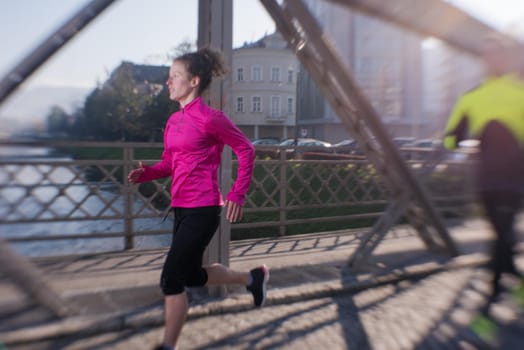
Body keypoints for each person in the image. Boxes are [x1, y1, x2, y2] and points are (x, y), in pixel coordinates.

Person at [128, 48, 269, 350]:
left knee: (171, 280)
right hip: (180, 208)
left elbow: (246, 149)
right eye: (168, 77)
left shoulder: (210, 118)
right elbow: (169, 164)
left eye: (174, 76)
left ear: (193, 81)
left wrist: (237, 193)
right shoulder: (173, 122)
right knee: (191, 275)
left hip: (203, 209)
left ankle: (168, 346)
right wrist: (148, 173)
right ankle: (252, 279)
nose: (168, 82)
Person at [443, 37, 524, 343]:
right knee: (502, 232)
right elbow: (452, 137)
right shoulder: (516, 93)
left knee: (501, 232)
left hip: (496, 180)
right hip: (502, 179)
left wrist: (473, 138)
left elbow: (451, 139)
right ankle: (514, 274)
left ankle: (493, 292)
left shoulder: (473, 96)